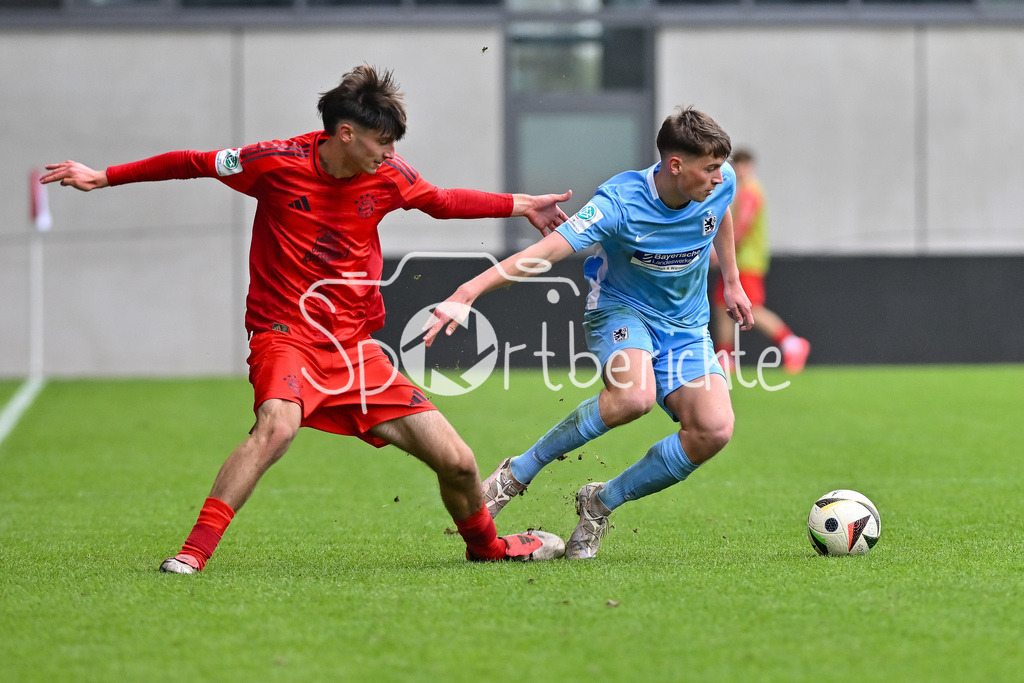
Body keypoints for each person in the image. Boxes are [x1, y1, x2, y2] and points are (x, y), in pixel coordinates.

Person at [41, 64, 571, 572]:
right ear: (346, 134)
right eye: (382, 142)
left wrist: (523, 204)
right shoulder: (271, 161)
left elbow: (442, 200)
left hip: (353, 348)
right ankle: (192, 553)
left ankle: (487, 549)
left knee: (458, 462)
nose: (391, 154)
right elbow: (192, 161)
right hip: (284, 334)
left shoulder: (388, 175)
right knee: (278, 427)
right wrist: (104, 177)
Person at [424, 106, 754, 559]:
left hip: (686, 325)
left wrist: (732, 281)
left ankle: (600, 503)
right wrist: (470, 289)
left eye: (721, 168)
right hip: (621, 311)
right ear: (675, 166)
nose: (720, 179)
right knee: (632, 397)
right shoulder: (620, 201)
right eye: (710, 169)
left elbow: (721, 214)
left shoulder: (721, 182)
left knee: (714, 430)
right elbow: (547, 251)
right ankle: (517, 473)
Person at [711, 148, 809, 374]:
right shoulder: (743, 190)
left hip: (746, 262)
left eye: (744, 165)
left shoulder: (750, 192)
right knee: (721, 305)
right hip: (739, 261)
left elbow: (741, 226)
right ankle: (725, 357)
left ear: (750, 167)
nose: (740, 170)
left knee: (751, 307)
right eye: (738, 165)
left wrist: (722, 253)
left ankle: (791, 343)